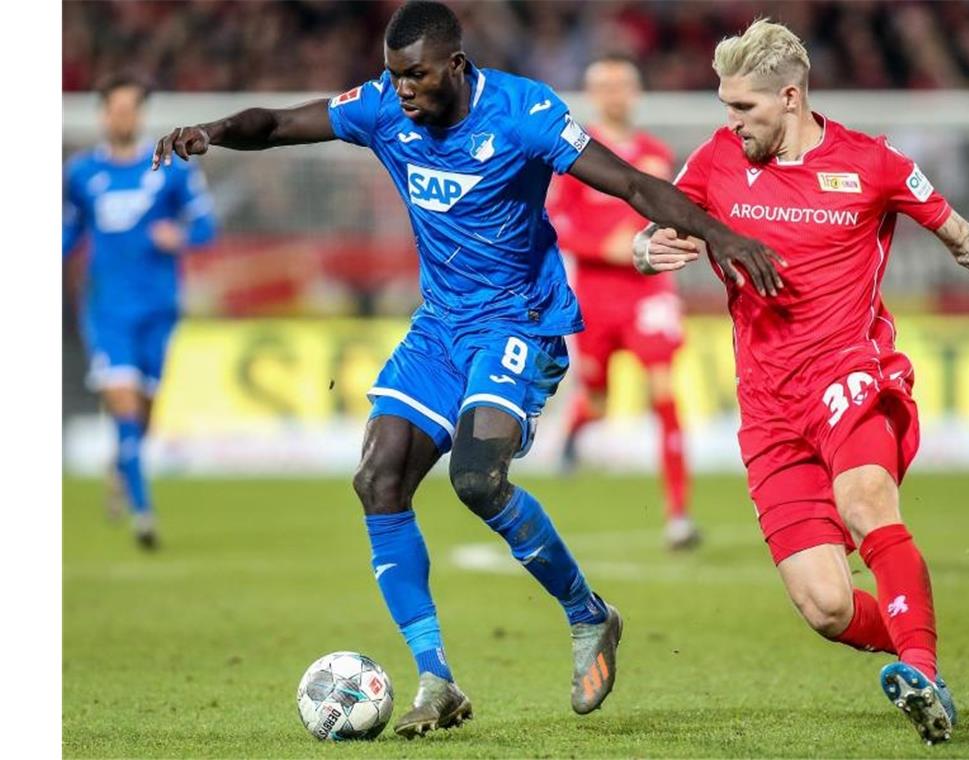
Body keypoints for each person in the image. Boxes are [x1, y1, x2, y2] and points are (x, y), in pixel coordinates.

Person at [152, 0, 783, 739]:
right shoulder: (385, 108)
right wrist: (217, 133)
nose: (403, 91)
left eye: (416, 75)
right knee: (377, 478)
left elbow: (630, 186)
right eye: (394, 76)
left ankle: (589, 616)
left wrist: (719, 236)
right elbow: (286, 123)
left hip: (519, 322)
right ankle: (437, 677)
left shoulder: (522, 112)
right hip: (439, 329)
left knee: (477, 480)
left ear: (454, 64)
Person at [634, 18, 969, 746]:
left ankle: (924, 674)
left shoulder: (873, 164)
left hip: (852, 372)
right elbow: (652, 230)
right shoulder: (715, 162)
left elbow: (965, 242)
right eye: (725, 107)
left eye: (744, 108)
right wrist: (647, 250)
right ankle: (911, 651)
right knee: (826, 608)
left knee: (867, 502)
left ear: (792, 96)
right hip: (768, 409)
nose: (731, 122)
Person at [547, 55, 696, 550]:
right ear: (593, 95)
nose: (616, 94)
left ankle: (678, 515)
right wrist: (600, 247)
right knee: (596, 398)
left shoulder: (656, 153)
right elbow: (555, 224)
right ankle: (573, 433)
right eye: (605, 85)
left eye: (624, 85)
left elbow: (670, 215)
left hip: (648, 289)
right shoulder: (572, 154)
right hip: (595, 294)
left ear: (636, 92)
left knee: (663, 389)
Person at [64, 73, 217, 550]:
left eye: (131, 108)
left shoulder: (171, 170)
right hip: (107, 309)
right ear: (104, 113)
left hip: (158, 308)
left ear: (141, 114)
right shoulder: (81, 173)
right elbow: (68, 234)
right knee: (125, 406)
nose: (123, 116)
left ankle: (122, 463)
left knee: (143, 414)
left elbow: (206, 225)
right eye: (116, 108)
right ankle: (143, 515)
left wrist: (182, 237)